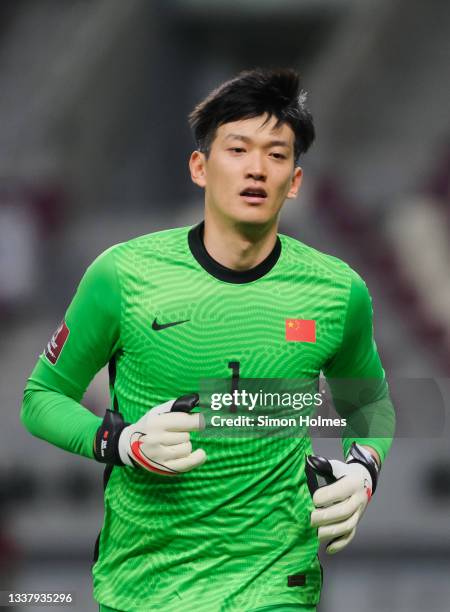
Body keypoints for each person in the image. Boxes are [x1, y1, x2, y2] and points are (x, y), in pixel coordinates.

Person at [21, 68, 395, 612]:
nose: (256, 169)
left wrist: (363, 469)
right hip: (144, 587)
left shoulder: (338, 292)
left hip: (278, 585)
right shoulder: (122, 276)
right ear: (200, 166)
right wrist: (120, 442)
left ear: (294, 181)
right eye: (238, 148)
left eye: (275, 154)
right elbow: (40, 399)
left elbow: (371, 403)